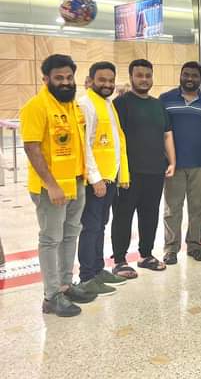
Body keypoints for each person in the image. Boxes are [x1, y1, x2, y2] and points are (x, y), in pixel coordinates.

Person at [21, 54, 97, 317]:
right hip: (50, 188)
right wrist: (51, 185)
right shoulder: (36, 106)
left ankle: (65, 285)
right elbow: (31, 148)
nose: (65, 82)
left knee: (69, 235)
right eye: (59, 78)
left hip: (77, 183)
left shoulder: (73, 107)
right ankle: (51, 295)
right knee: (51, 239)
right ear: (46, 79)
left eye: (69, 77)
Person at [111, 59, 176, 276]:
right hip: (128, 173)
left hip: (155, 170)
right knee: (123, 215)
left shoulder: (158, 105)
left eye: (148, 75)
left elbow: (167, 134)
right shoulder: (120, 104)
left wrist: (172, 161)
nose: (144, 79)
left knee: (150, 215)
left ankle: (146, 255)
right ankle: (119, 259)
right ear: (131, 77)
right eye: (139, 75)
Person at [76, 62, 130, 297]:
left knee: (100, 225)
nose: (107, 84)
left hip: (109, 177)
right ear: (91, 80)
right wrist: (95, 179)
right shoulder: (86, 103)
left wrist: (119, 175)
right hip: (96, 180)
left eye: (111, 80)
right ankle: (87, 277)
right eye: (102, 80)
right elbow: (84, 145)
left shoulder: (106, 103)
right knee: (91, 227)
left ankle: (98, 270)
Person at [159, 62, 201, 265]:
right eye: (186, 75)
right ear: (181, 75)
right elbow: (160, 133)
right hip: (173, 165)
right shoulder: (166, 100)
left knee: (198, 207)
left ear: (200, 78)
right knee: (172, 208)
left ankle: (195, 245)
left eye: (194, 75)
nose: (190, 79)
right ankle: (170, 249)